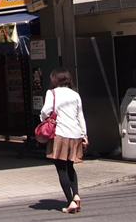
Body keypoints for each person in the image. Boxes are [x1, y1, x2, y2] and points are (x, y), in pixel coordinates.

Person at [40, 67, 88, 214]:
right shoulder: (75, 95)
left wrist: (44, 121)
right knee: (70, 166)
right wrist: (84, 135)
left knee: (61, 168)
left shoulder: (52, 93)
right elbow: (80, 116)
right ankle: (76, 195)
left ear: (54, 79)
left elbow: (45, 111)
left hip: (60, 134)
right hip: (76, 134)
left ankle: (71, 201)